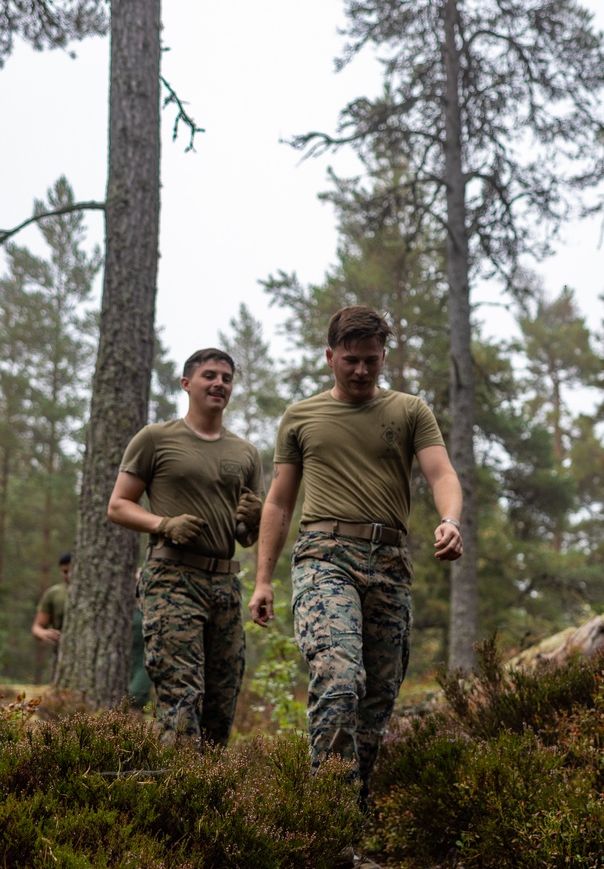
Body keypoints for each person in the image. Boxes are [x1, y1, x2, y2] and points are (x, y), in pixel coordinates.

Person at [248, 305, 463, 802]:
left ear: (383, 356)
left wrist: (449, 520)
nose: (362, 370)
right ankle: (330, 823)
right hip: (324, 556)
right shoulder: (301, 416)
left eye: (371, 359)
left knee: (378, 700)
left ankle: (353, 819)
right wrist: (263, 580)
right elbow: (279, 502)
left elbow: (442, 474)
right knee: (340, 676)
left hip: (390, 564)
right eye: (351, 360)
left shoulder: (410, 411)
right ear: (330, 357)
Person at [107, 348, 264, 745]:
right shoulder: (156, 438)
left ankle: (209, 800)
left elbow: (246, 536)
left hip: (225, 587)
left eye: (226, 378)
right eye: (209, 375)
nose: (219, 384)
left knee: (220, 703)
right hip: (172, 579)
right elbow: (118, 505)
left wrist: (255, 519)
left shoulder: (245, 453)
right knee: (181, 696)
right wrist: (164, 524)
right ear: (186, 383)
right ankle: (176, 795)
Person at [32, 551, 72, 677]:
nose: (69, 575)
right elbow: (36, 627)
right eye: (65, 572)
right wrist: (45, 633)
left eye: (73, 570)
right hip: (61, 656)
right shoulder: (54, 594)